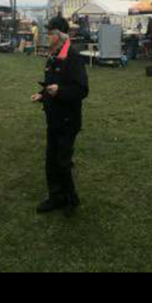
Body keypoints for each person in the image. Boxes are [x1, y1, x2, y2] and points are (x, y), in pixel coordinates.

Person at [31, 16, 89, 217]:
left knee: (63, 162)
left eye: (50, 33)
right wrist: (42, 94)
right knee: (51, 161)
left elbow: (81, 89)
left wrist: (60, 91)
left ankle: (71, 199)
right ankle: (56, 196)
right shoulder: (53, 55)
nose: (47, 36)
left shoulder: (72, 57)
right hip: (53, 118)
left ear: (61, 35)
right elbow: (51, 83)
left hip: (68, 120)